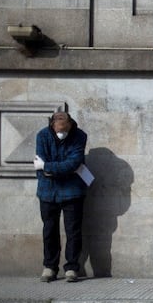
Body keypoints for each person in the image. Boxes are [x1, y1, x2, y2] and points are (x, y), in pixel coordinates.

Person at [34, 110, 89, 283]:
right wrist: (61, 169)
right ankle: (49, 267)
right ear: (52, 125)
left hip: (73, 191)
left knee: (73, 231)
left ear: (71, 124)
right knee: (49, 230)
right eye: (59, 131)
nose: (62, 134)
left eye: (65, 130)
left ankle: (72, 267)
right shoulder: (42, 136)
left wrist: (48, 167)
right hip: (47, 191)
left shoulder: (79, 136)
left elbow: (74, 162)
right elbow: (39, 164)